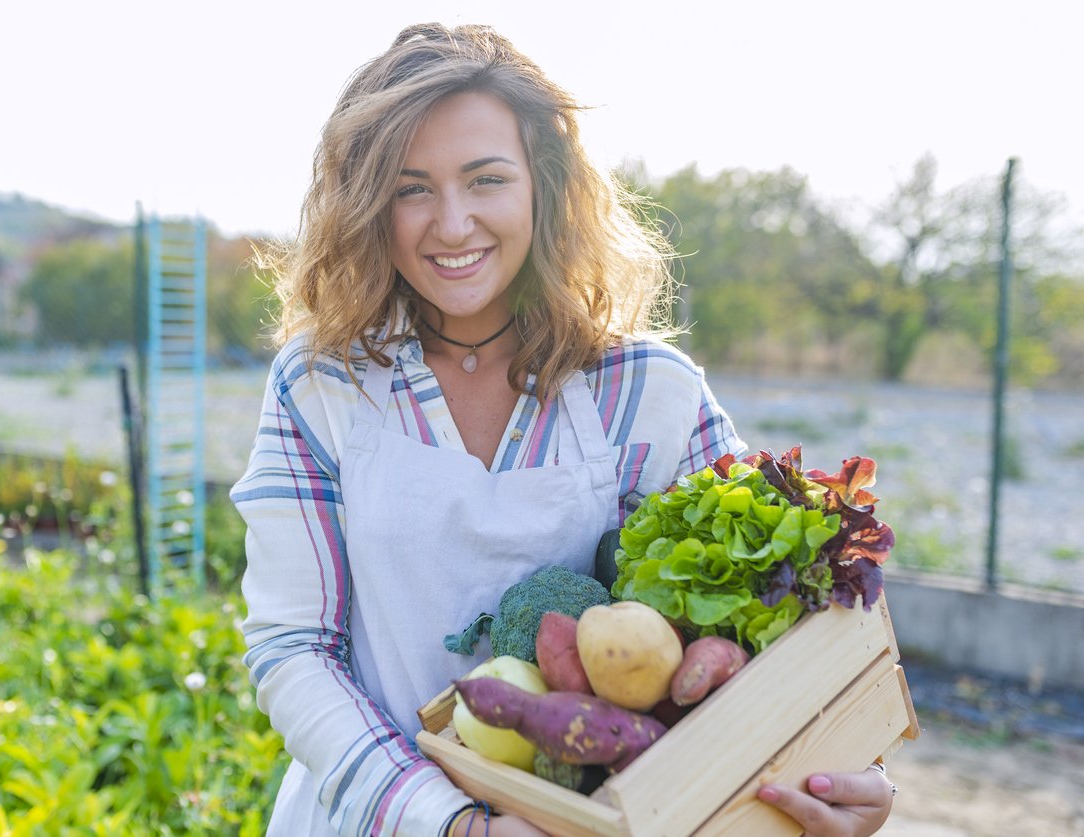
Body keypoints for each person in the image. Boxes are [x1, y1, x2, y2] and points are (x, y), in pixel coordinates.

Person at [232, 22, 896, 837]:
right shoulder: (322, 384)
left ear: (544, 185)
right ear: (369, 205)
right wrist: (452, 825)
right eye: (412, 188)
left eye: (485, 179)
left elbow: (772, 619)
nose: (450, 222)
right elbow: (294, 651)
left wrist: (844, 767)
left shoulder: (648, 390)